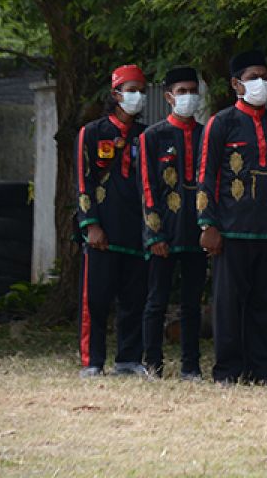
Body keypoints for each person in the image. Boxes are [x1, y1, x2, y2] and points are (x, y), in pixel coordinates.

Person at [196, 49, 267, 385]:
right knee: (228, 307)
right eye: (252, 77)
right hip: (231, 232)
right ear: (235, 84)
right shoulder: (222, 123)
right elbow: (207, 175)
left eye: (264, 76)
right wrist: (207, 224)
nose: (261, 83)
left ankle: (265, 373)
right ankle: (228, 372)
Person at [75, 64, 150, 378]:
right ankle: (92, 361)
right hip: (102, 231)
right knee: (97, 299)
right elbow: (83, 182)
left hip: (137, 230)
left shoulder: (146, 135)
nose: (136, 96)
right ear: (115, 93)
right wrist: (90, 224)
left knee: (135, 299)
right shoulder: (91, 133)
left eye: (140, 90)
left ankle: (129, 360)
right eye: (130, 90)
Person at [139, 65, 206, 380]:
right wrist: (155, 234)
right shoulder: (152, 137)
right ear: (168, 97)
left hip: (198, 233)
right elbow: (147, 188)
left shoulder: (207, 134)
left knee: (192, 304)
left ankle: (191, 366)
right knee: (156, 301)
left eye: (193, 91)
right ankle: (152, 364)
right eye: (182, 92)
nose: (188, 97)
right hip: (164, 232)